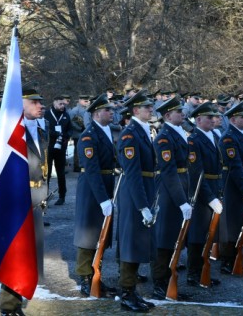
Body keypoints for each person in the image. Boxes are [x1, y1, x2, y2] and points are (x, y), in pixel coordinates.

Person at [0, 81, 49, 315]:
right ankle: (8, 306)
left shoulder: (41, 129)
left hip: (36, 197)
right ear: (21, 105)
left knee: (30, 253)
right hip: (18, 198)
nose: (40, 105)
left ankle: (16, 300)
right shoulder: (12, 131)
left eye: (40, 101)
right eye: (34, 102)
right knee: (16, 251)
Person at [73, 94, 118, 299]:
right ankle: (85, 277)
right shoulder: (89, 136)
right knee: (88, 233)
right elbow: (91, 170)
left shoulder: (106, 131)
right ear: (97, 113)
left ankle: (95, 275)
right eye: (108, 110)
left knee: (102, 234)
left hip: (105, 185)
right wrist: (102, 199)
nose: (111, 112)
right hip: (93, 189)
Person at [116, 90, 157, 312]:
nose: (150, 110)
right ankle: (126, 294)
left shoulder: (142, 131)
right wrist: (142, 206)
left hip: (144, 191)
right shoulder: (130, 134)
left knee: (139, 243)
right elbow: (132, 174)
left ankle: (132, 292)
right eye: (146, 107)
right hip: (134, 197)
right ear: (135, 111)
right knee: (131, 245)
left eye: (150, 107)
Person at [150, 96, 193, 300]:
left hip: (180, 186)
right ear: (167, 115)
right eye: (178, 112)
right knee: (164, 238)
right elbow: (168, 171)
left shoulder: (179, 132)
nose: (182, 114)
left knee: (175, 237)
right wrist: (181, 200)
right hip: (169, 192)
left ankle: (167, 280)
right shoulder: (164, 137)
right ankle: (160, 283)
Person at [218, 102, 243, 273]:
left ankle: (236, 258)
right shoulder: (229, 138)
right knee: (232, 223)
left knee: (241, 221)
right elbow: (235, 167)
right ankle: (227, 261)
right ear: (233, 119)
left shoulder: (241, 134)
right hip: (233, 185)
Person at [185, 102, 224, 282]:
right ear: (198, 119)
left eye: (214, 117)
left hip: (213, 186)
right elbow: (196, 173)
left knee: (209, 232)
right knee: (197, 234)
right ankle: (194, 273)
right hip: (201, 191)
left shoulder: (213, 136)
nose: (213, 120)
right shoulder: (194, 140)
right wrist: (209, 198)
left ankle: (203, 270)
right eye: (209, 117)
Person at [44, 94, 72, 205]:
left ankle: (62, 196)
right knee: (47, 173)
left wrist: (66, 135)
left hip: (61, 148)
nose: (62, 106)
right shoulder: (46, 114)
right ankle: (44, 197)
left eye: (63, 104)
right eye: (60, 104)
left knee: (61, 172)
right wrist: (55, 134)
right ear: (54, 103)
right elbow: (44, 129)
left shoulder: (66, 115)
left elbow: (70, 129)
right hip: (49, 147)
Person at [68, 94, 91, 172]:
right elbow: (71, 121)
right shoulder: (75, 110)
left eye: (87, 101)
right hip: (78, 133)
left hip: (86, 132)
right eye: (85, 101)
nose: (86, 102)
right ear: (80, 100)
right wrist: (79, 128)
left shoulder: (88, 109)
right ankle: (77, 165)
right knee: (78, 150)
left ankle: (84, 164)